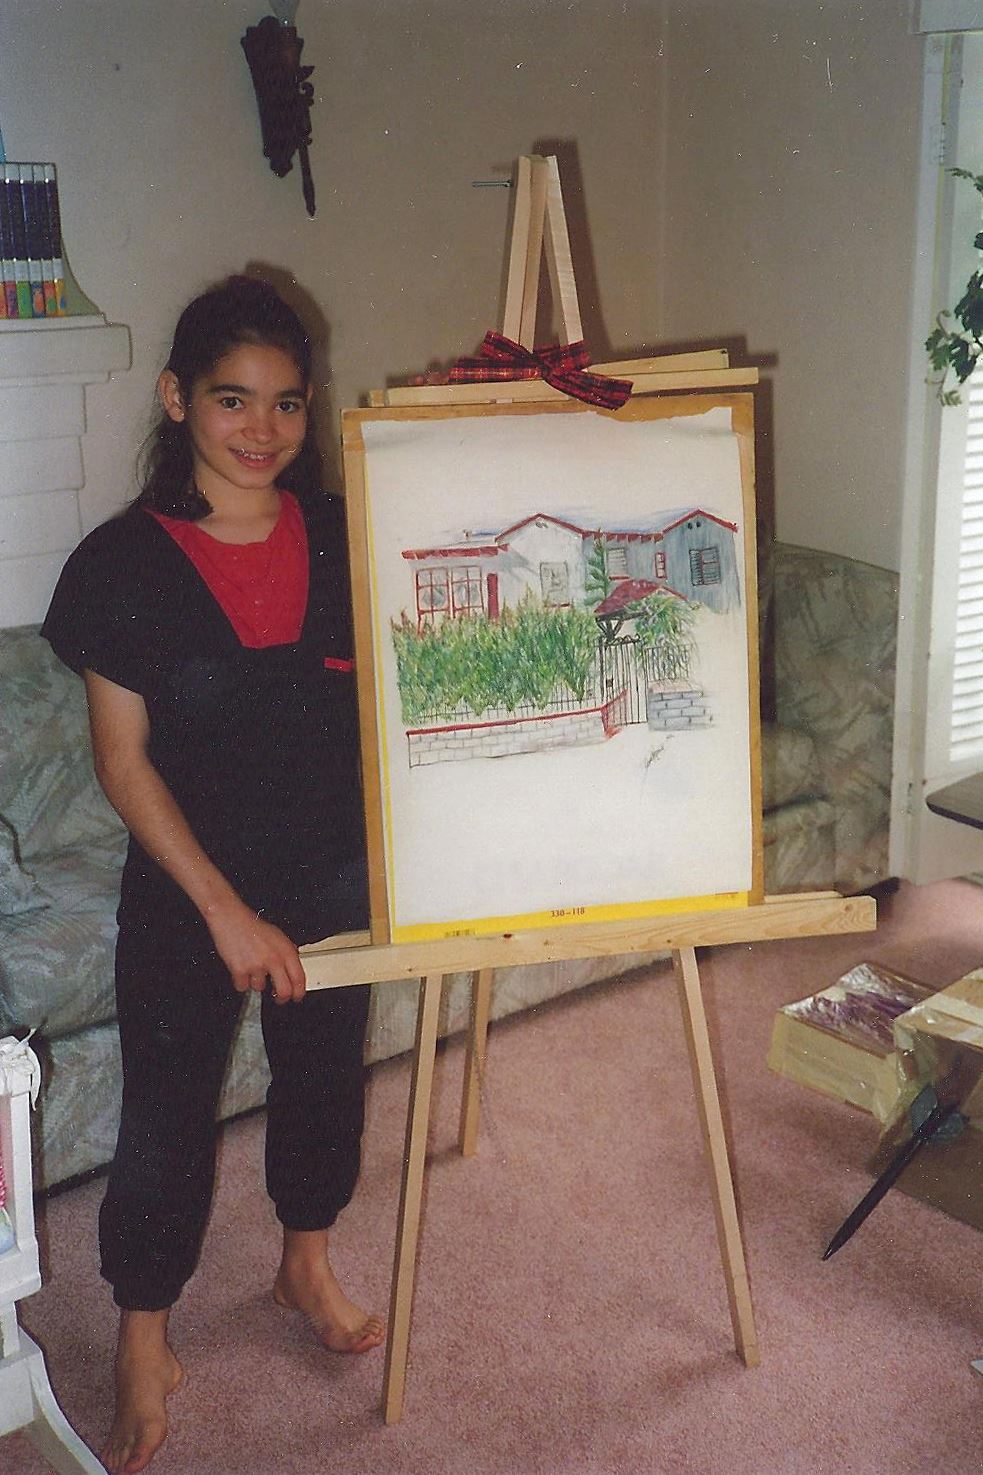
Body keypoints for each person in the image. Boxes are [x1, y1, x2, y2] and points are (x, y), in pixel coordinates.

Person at [41, 276, 384, 1475]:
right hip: (190, 889)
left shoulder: (346, 532)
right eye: (233, 398)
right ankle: (143, 1333)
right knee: (168, 1115)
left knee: (325, 1076)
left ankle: (304, 1258)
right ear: (176, 395)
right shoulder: (118, 565)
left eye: (288, 403)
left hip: (333, 872)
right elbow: (122, 766)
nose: (262, 429)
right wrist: (226, 909)